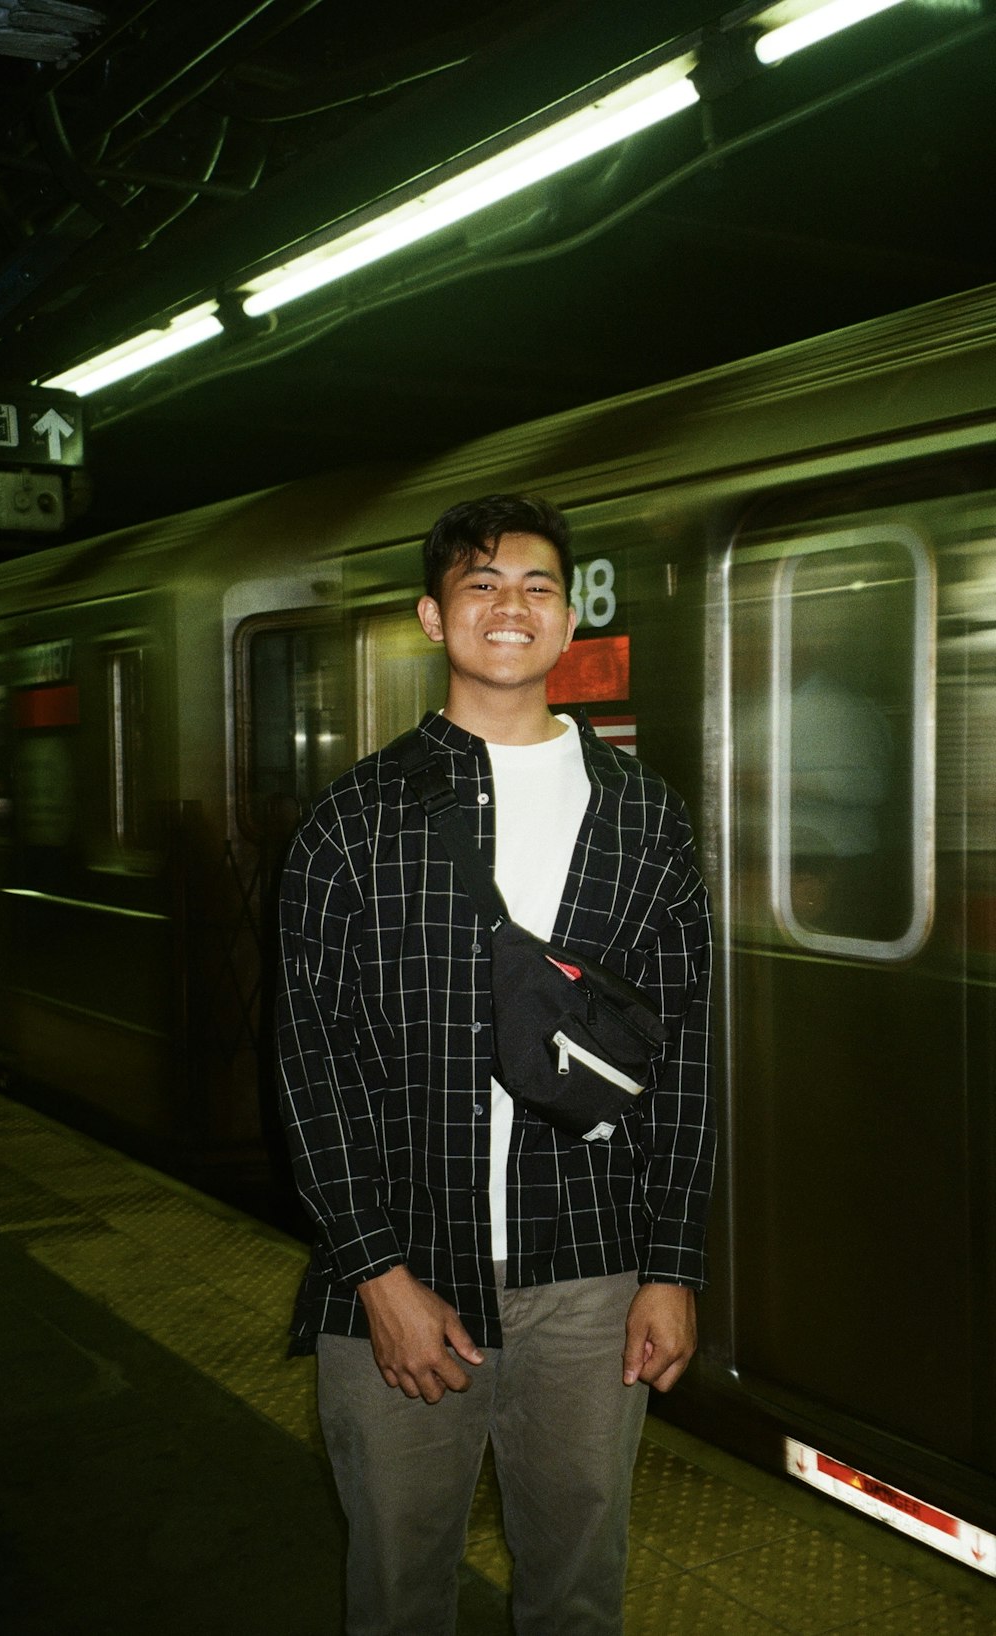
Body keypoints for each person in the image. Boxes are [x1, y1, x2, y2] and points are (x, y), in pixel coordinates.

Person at [276, 494, 714, 1636]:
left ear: (570, 622)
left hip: (592, 1271)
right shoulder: (354, 818)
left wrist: (671, 1267)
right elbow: (307, 1059)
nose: (508, 605)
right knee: (397, 1588)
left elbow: (687, 1056)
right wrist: (374, 1274)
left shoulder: (647, 819)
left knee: (577, 1586)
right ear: (432, 617)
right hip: (404, 1266)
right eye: (479, 584)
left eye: (535, 586)